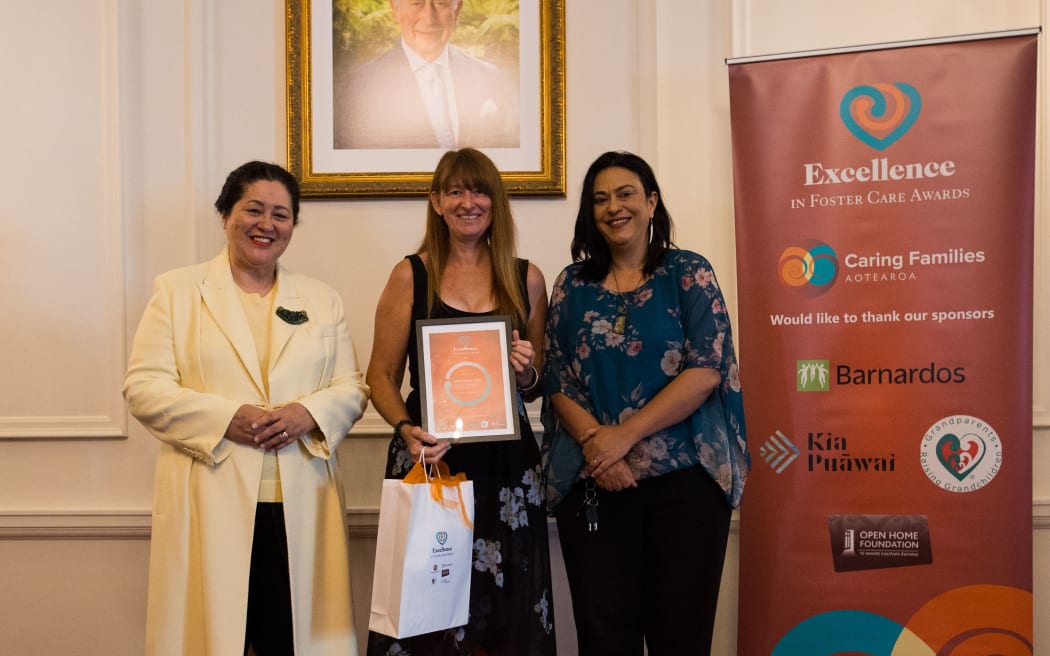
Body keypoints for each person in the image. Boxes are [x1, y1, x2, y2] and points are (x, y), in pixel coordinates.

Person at [123, 161, 370, 655]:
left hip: (301, 503)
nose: (267, 224)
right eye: (253, 209)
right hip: (210, 496)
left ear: (293, 226)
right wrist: (224, 419)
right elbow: (143, 387)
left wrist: (308, 413)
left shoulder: (322, 299)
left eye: (281, 215)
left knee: (293, 639)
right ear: (224, 214)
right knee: (215, 639)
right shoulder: (177, 292)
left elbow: (351, 387)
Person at [540, 151, 750, 655]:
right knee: (603, 640)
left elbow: (705, 370)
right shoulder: (573, 284)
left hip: (686, 487)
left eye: (626, 193)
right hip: (594, 486)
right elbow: (556, 375)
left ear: (652, 201)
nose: (614, 206)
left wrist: (622, 438)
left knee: (681, 638)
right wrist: (598, 448)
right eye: (600, 198)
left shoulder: (689, 273)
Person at [366, 148, 555, 655]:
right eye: (455, 191)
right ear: (436, 201)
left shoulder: (527, 276)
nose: (468, 202)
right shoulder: (410, 275)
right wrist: (408, 430)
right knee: (425, 606)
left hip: (506, 465)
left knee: (507, 610)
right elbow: (379, 376)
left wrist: (526, 368)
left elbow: (537, 383)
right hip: (431, 457)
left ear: (496, 201)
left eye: (479, 190)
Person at [334, 0, 519, 150]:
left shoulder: (490, 77)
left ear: (457, 9)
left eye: (441, 4)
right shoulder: (360, 86)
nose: (429, 20)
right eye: (417, 4)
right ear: (395, 9)